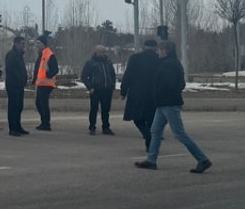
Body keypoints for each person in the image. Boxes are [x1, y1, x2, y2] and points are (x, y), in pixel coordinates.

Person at [134, 41, 212, 173]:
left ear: (166, 51)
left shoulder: (169, 64)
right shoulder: (171, 63)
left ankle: (203, 160)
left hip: (169, 103)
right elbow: (179, 84)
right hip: (163, 103)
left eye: (160, 50)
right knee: (155, 131)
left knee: (179, 134)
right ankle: (151, 160)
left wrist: (158, 93)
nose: (158, 52)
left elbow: (170, 84)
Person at [120, 40, 159, 151]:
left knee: (137, 118)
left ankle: (148, 136)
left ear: (143, 47)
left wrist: (123, 92)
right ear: (155, 47)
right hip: (154, 93)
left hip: (136, 93)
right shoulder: (159, 59)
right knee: (151, 119)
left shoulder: (135, 58)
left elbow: (127, 75)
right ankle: (151, 140)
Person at [81, 44, 117, 136]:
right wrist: (90, 87)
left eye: (105, 52)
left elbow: (112, 75)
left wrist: (112, 86)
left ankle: (106, 127)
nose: (104, 54)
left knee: (106, 110)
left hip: (107, 90)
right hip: (96, 90)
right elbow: (84, 77)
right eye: (102, 52)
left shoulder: (108, 62)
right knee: (94, 109)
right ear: (97, 52)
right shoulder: (90, 63)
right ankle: (92, 127)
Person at [31, 33, 59, 131]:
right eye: (36, 43)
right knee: (39, 103)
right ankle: (44, 122)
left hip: (47, 83)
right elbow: (38, 69)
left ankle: (46, 123)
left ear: (43, 44)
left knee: (42, 103)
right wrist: (34, 79)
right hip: (41, 83)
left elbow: (55, 69)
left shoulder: (49, 54)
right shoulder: (41, 54)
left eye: (38, 43)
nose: (37, 45)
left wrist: (48, 74)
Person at [4, 36, 30, 136]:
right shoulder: (11, 55)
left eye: (24, 43)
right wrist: (20, 78)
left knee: (19, 106)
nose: (24, 46)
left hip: (19, 86)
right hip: (13, 85)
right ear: (16, 44)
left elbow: (22, 69)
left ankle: (18, 126)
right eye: (22, 43)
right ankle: (12, 128)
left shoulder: (20, 55)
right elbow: (11, 70)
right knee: (13, 107)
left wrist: (25, 79)